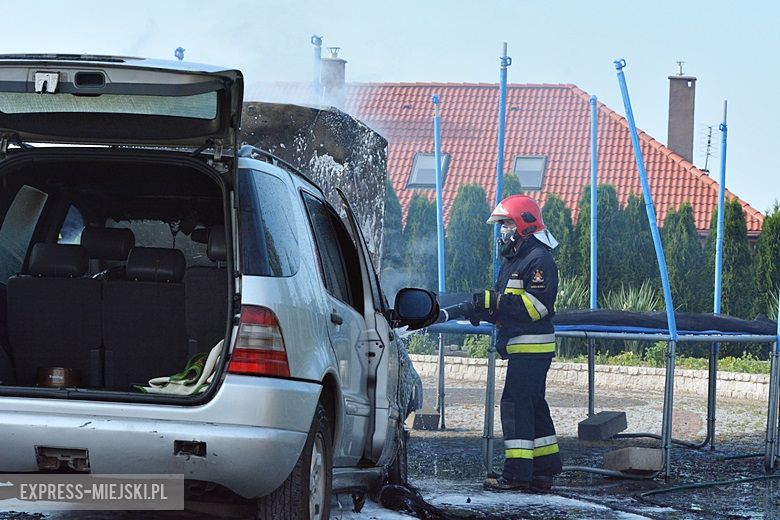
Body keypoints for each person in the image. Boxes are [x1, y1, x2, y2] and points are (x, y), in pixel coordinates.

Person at [471, 194, 563, 492]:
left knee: (516, 407)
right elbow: (509, 305)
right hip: (523, 346)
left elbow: (537, 307)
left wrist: (496, 301)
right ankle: (543, 471)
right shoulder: (517, 258)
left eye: (508, 223)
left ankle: (517, 475)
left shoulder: (538, 259)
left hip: (531, 347)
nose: (503, 230)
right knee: (533, 406)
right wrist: (486, 310)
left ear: (525, 223)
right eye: (502, 224)